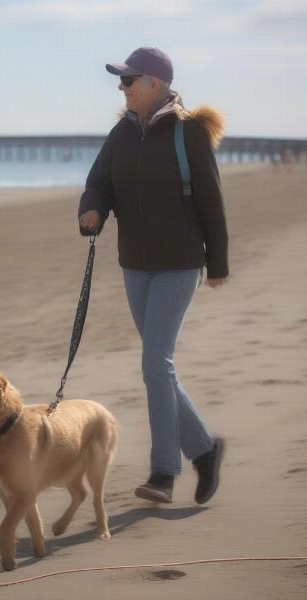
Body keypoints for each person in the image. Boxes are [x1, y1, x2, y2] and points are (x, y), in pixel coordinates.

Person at [78, 47, 227, 504]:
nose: (122, 89)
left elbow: (211, 201)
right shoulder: (120, 135)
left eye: (129, 80)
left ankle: (164, 471)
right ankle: (205, 450)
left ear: (156, 84)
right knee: (159, 367)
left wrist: (217, 263)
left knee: (154, 365)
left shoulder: (188, 134)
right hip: (134, 264)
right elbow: (99, 181)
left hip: (179, 264)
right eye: (120, 81)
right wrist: (92, 209)